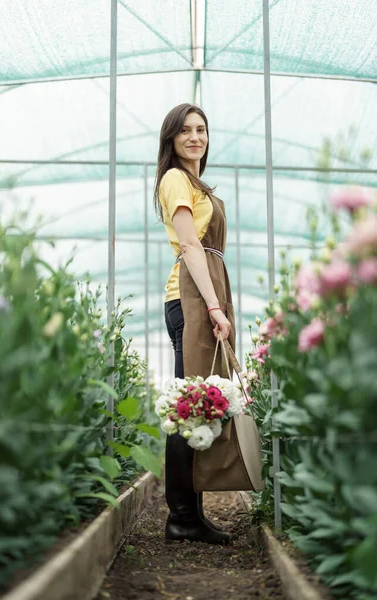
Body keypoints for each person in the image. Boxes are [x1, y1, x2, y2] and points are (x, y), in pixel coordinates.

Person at [154, 103, 236, 545]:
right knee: (189, 406)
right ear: (171, 139)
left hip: (205, 296)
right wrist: (213, 306)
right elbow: (189, 244)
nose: (194, 137)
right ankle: (181, 516)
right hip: (189, 298)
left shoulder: (198, 184)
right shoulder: (175, 180)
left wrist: (218, 303)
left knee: (200, 403)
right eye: (184, 130)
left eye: (201, 129)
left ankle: (192, 514)